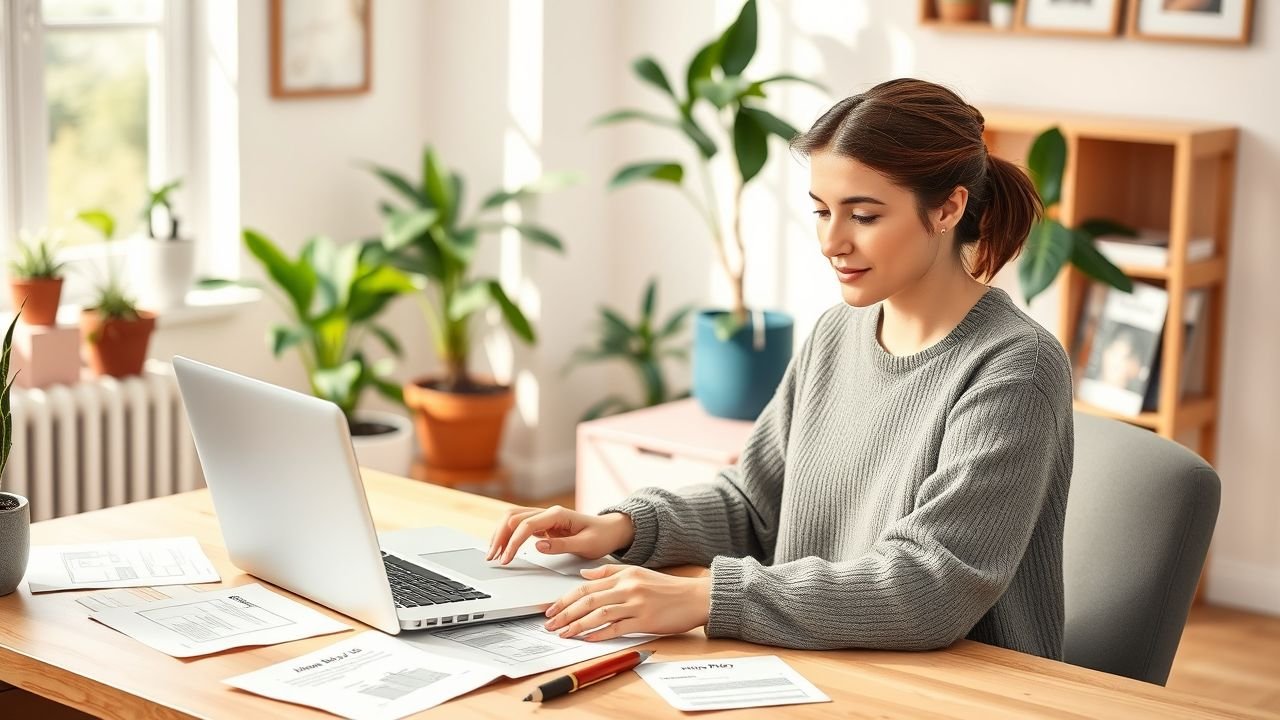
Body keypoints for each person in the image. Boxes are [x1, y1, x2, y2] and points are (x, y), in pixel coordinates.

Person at [487, 77, 1075, 659]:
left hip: (961, 687)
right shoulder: (836, 333)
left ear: (948, 207)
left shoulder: (1014, 368)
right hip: (820, 661)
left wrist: (707, 599)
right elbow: (756, 504)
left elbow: (929, 589)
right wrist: (627, 527)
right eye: (822, 211)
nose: (832, 242)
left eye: (864, 216)